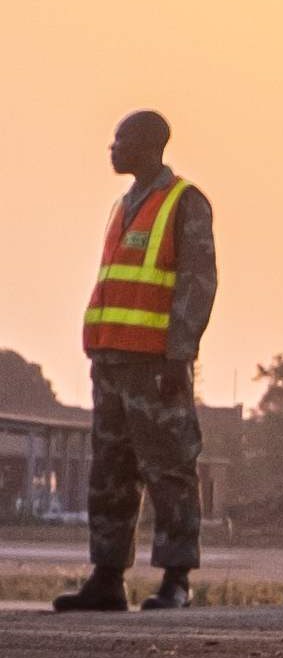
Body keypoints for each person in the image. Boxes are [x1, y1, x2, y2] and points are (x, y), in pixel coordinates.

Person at [62, 109, 216, 614]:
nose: (113, 148)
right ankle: (107, 578)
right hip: (111, 360)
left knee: (170, 469)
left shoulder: (184, 202)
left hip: (155, 366)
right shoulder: (122, 206)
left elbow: (197, 282)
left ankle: (176, 579)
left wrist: (178, 355)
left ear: (150, 146)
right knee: (110, 471)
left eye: (121, 139)